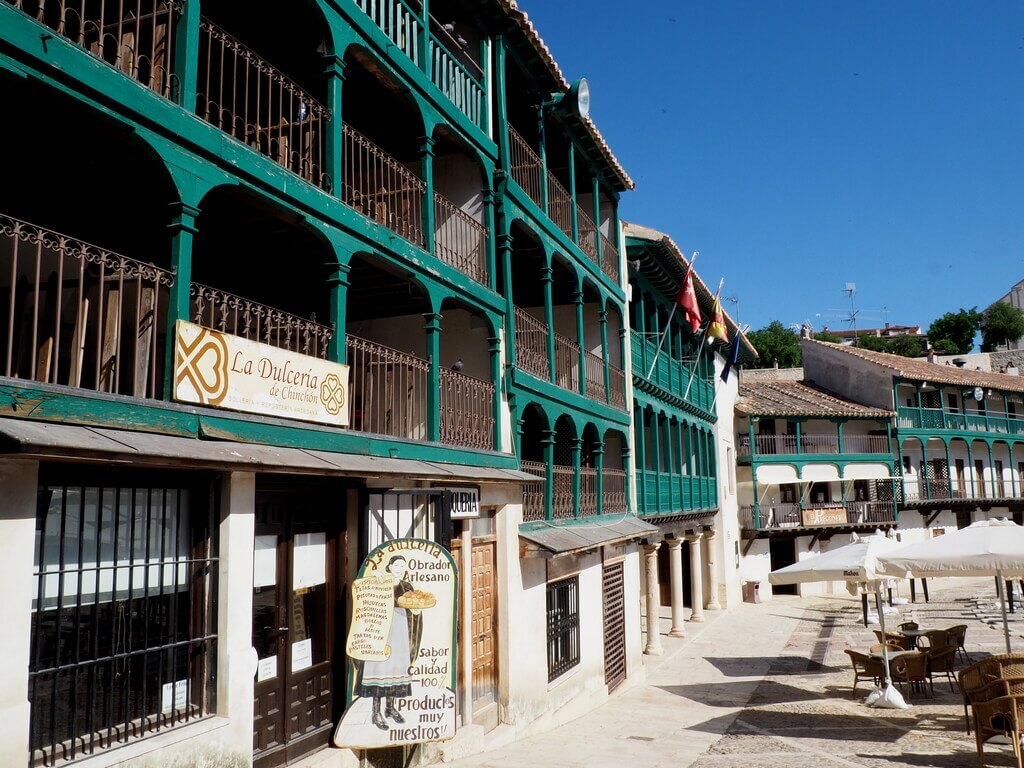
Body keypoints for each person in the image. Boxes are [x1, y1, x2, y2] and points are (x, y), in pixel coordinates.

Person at [355, 556, 423, 730]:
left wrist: (415, 610)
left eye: (403, 564)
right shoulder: (380, 581)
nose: (400, 568)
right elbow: (367, 597)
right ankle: (375, 712)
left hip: (400, 630)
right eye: (397, 565)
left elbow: (414, 608)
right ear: (390, 566)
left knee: (395, 669)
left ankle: (390, 708)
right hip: (382, 630)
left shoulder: (407, 586)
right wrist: (374, 577)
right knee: (380, 669)